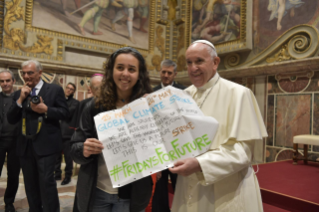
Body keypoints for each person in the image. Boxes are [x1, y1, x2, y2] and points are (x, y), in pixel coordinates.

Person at [169, 40, 267, 212]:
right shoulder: (182, 97)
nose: (193, 68)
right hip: (188, 185)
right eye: (189, 62)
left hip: (227, 190)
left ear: (215, 62)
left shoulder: (238, 94)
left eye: (199, 61)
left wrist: (200, 164)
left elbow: (243, 152)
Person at [70, 47, 153, 212]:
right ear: (111, 70)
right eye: (120, 67)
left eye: (132, 69)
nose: (125, 74)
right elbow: (74, 148)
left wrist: (155, 115)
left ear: (139, 74)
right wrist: (84, 149)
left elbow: (163, 148)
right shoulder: (93, 106)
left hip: (132, 193)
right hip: (97, 190)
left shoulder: (148, 106)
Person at [7, 60, 69, 212]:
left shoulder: (54, 90)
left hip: (46, 146)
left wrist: (46, 109)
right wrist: (21, 99)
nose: (26, 76)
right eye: (24, 73)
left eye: (30, 73)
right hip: (25, 146)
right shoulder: (18, 93)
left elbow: (65, 113)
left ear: (40, 73)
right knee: (30, 184)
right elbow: (10, 118)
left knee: (47, 182)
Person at [151, 59, 185, 212]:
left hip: (179, 145)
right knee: (159, 184)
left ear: (175, 74)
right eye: (163, 72)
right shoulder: (151, 93)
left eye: (169, 73)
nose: (165, 75)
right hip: (159, 145)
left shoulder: (184, 92)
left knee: (180, 183)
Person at [0, 69, 21, 212]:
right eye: (2, 81)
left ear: (13, 81)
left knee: (13, 174)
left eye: (8, 80)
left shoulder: (21, 97)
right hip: (0, 141)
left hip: (16, 141)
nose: (5, 83)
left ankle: (9, 202)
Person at [55, 82, 79, 185]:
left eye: (71, 89)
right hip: (56, 131)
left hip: (67, 132)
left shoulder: (75, 103)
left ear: (74, 92)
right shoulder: (59, 101)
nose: (68, 90)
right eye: (67, 88)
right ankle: (57, 174)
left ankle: (68, 176)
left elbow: (67, 113)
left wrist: (58, 110)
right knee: (56, 155)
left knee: (68, 157)